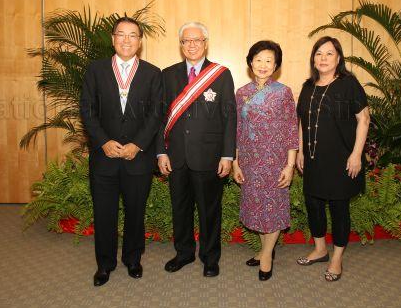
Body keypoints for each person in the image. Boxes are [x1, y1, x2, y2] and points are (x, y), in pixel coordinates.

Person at [80, 17, 162, 286]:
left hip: (137, 158)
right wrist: (103, 141)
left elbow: (155, 114)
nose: (126, 40)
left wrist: (136, 144)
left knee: (135, 211)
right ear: (113, 38)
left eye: (133, 36)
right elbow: (88, 111)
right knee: (104, 213)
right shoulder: (95, 70)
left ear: (140, 41)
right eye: (121, 35)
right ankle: (104, 264)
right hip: (104, 157)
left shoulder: (152, 73)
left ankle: (133, 259)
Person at [157, 21, 236, 278]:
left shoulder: (221, 74)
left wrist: (227, 154)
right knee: (180, 208)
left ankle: (210, 257)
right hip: (176, 156)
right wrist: (160, 152)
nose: (191, 45)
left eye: (197, 40)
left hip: (209, 157)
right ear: (181, 45)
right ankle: (184, 253)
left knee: (209, 210)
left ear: (205, 43)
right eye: (186, 41)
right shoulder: (167, 75)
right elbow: (159, 117)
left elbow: (229, 117)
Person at [295, 36, 370, 282]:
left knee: (339, 208)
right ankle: (320, 249)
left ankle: (337, 258)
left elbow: (364, 119)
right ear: (313, 58)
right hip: (314, 158)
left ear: (338, 58)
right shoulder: (308, 86)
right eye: (319, 53)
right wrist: (301, 151)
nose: (323, 58)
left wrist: (357, 154)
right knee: (313, 205)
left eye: (329, 53)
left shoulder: (348, 84)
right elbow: (302, 123)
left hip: (342, 158)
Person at [233, 40, 298, 281]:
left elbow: (292, 129)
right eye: (258, 59)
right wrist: (236, 163)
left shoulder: (283, 92)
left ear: (276, 65)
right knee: (257, 208)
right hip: (250, 161)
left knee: (274, 209)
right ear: (250, 63)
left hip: (275, 161)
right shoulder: (242, 93)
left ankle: (267, 255)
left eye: (269, 60)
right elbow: (237, 130)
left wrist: (290, 165)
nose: (263, 65)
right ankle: (263, 250)